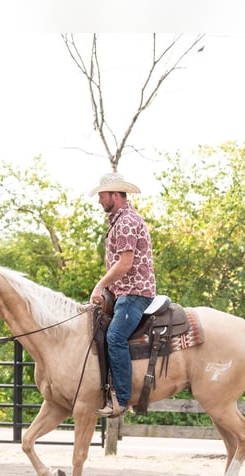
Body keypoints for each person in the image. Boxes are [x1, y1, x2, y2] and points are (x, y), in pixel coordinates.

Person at [89, 172, 156, 418]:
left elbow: (125, 263)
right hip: (124, 293)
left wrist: (100, 285)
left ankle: (122, 400)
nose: (99, 200)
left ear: (114, 195)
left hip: (134, 294)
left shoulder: (126, 221)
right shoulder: (121, 220)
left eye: (101, 195)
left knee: (115, 337)